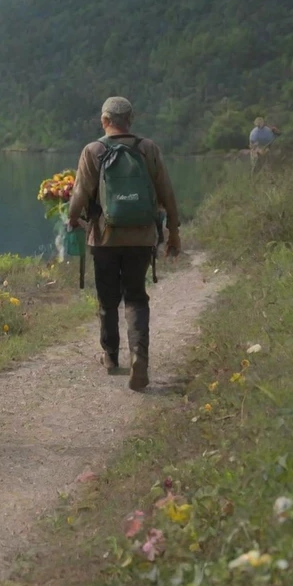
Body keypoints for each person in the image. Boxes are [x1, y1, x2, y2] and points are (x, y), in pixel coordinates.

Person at [67, 97, 181, 391]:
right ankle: (139, 356)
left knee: (107, 298)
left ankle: (110, 355)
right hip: (141, 237)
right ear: (131, 118)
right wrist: (173, 233)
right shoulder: (148, 149)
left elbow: (79, 195)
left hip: (104, 237)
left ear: (105, 120)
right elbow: (167, 193)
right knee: (136, 296)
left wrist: (71, 219)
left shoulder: (93, 151)